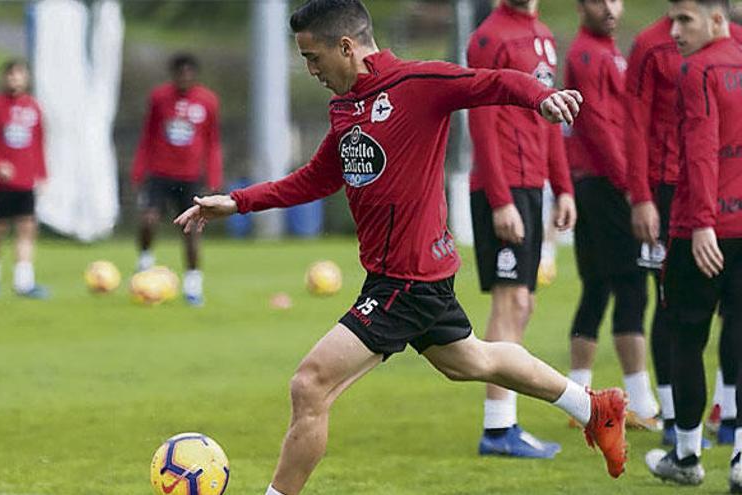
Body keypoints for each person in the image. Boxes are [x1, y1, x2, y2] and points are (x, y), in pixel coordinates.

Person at [176, 2, 627, 494]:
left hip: (406, 281)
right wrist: (237, 202)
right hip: (403, 277)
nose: (310, 70)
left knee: (310, 384)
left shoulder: (416, 85)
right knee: (473, 361)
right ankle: (594, 407)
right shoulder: (346, 106)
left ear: (346, 47)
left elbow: (492, 81)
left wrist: (542, 97)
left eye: (313, 57)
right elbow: (316, 179)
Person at [626, 3, 742, 447]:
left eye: (685, 20)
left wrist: (702, 220)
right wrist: (640, 196)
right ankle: (675, 417)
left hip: (699, 208)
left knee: (701, 322)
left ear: (715, 18)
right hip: (665, 194)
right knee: (667, 307)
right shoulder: (648, 46)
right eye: (673, 18)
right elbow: (634, 126)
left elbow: (704, 146)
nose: (675, 29)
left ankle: (712, 426)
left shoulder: (702, 63)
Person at [466, 0, 576, 458]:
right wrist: (500, 199)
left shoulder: (544, 36)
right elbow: (482, 120)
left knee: (524, 303)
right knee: (510, 302)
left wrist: (563, 186)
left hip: (532, 187)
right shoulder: (488, 38)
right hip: (505, 187)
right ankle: (498, 428)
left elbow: (551, 120)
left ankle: (505, 422)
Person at [562, 0, 663, 431]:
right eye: (597, 0)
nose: (608, 8)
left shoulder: (608, 52)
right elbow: (600, 127)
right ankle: (639, 401)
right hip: (605, 184)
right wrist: (631, 187)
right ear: (580, 6)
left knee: (598, 286)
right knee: (632, 285)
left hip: (597, 183)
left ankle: (577, 400)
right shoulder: (587, 55)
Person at [131, 53, 223, 306]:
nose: (184, 77)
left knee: (191, 231)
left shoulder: (207, 101)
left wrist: (214, 175)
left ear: (194, 74)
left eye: (188, 72)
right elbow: (147, 135)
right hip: (159, 173)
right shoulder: (159, 98)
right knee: (148, 219)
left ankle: (193, 285)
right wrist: (139, 169)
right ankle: (145, 263)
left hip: (190, 176)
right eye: (179, 72)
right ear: (173, 74)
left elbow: (212, 141)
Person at [0, 59, 49, 299]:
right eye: (10, 75)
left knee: (27, 228)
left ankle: (23, 283)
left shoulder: (34, 107)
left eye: (18, 74)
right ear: (4, 78)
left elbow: (38, 143)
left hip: (26, 181)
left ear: (26, 78)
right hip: (1, 183)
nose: (14, 79)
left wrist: (42, 173)